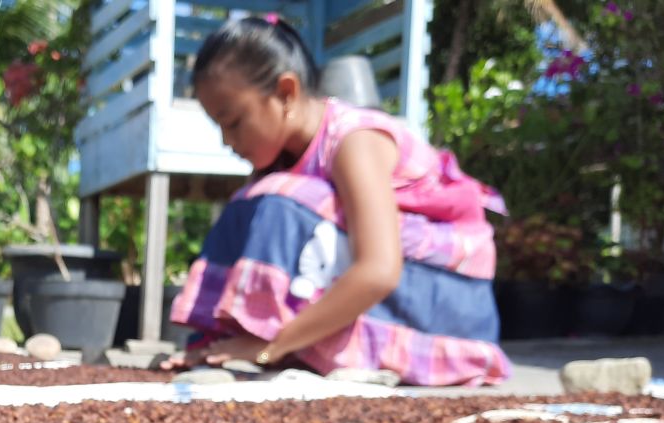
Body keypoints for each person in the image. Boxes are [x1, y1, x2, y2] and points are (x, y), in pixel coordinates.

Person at [162, 17, 511, 386]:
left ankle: (284, 342)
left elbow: (379, 270)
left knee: (279, 203)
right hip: (398, 290)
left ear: (285, 93)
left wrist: (271, 347)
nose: (226, 141)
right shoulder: (282, 163)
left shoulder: (353, 141)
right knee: (251, 205)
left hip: (447, 305)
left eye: (232, 122)